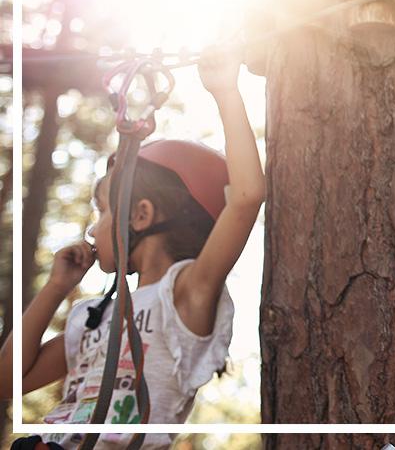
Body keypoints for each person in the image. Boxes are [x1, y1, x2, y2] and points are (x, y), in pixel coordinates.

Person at [1, 52, 265, 449]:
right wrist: (55, 288)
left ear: (141, 215)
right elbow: (8, 381)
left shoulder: (184, 296)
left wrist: (225, 91)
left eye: (104, 211)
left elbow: (247, 197)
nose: (93, 227)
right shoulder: (92, 316)